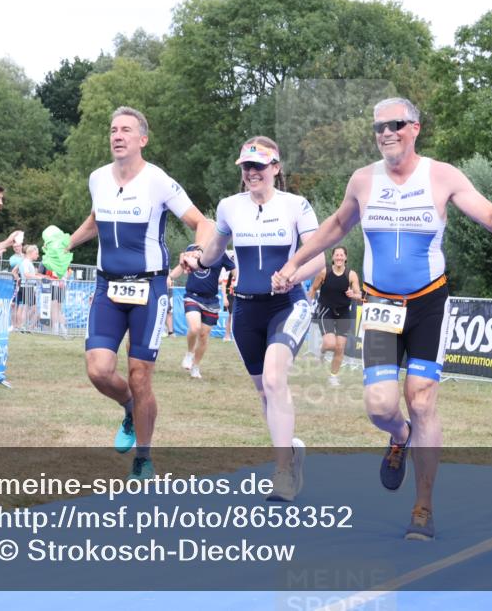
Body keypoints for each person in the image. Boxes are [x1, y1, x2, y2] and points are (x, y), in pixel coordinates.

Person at [274, 98, 492, 540]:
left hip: (428, 303)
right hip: (380, 305)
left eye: (394, 125)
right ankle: (400, 436)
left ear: (414, 128)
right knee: (381, 407)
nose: (385, 133)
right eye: (378, 128)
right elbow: (335, 226)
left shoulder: (442, 175)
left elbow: (491, 219)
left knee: (423, 398)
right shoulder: (363, 180)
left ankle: (423, 507)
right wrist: (295, 264)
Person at [67, 107, 213, 481]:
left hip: (148, 287)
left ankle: (143, 457)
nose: (117, 135)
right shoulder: (98, 177)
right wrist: (68, 242)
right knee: (99, 371)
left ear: (142, 140)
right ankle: (130, 408)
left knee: (139, 374)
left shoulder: (158, 181)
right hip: (107, 286)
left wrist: (196, 251)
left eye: (126, 130)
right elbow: (97, 218)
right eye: (113, 130)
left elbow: (201, 222)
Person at [183, 136, 324, 502]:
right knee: (265, 390)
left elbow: (318, 259)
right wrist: (196, 261)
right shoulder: (230, 207)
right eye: (246, 167)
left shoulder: (297, 206)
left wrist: (291, 274)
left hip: (287, 305)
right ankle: (290, 452)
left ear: (276, 167)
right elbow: (214, 252)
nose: (251, 173)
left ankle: (282, 473)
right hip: (245, 309)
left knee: (276, 379)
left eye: (259, 166)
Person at [170, 246, 236, 379]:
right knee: (195, 328)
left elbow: (235, 272)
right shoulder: (191, 249)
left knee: (204, 336)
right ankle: (189, 354)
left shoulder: (220, 253)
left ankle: (196, 366)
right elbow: (180, 268)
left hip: (211, 301)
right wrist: (169, 277)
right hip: (192, 296)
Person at [307, 246, 362, 386]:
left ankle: (333, 376)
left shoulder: (351, 275)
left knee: (340, 347)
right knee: (330, 344)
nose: (339, 257)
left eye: (341, 255)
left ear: (345, 257)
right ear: (332, 258)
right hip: (326, 311)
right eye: (336, 255)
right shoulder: (324, 272)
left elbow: (359, 295)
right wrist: (308, 304)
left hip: (344, 313)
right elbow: (313, 288)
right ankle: (322, 350)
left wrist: (353, 295)